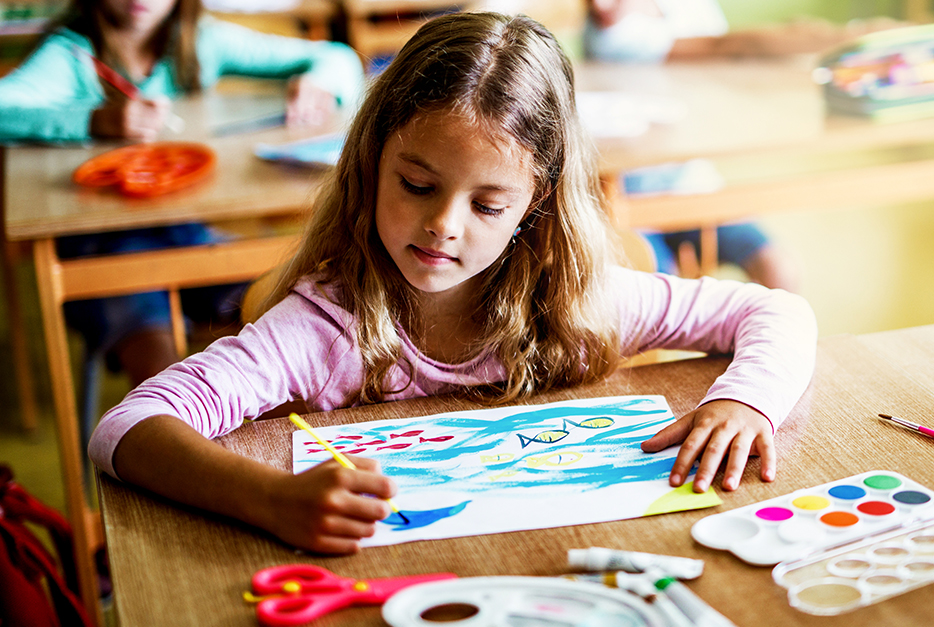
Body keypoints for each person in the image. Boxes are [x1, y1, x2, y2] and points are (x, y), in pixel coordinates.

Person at [88, 11, 818, 555]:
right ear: (373, 162)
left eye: (488, 204)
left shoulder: (576, 302)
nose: (442, 224)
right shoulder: (326, 328)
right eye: (416, 183)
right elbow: (124, 426)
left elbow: (775, 313)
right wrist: (271, 497)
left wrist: (743, 400)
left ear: (534, 203)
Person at [0, 0, 365, 387]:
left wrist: (319, 83)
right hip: (98, 244)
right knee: (154, 354)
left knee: (289, 312)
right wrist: (92, 119)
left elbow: (337, 56)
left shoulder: (198, 41)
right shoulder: (71, 54)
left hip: (183, 233)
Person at [583, 0, 901, 291]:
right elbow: (729, 46)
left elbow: (733, 59)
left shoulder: (691, 9)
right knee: (658, 290)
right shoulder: (612, 35)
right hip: (626, 203)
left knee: (780, 269)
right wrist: (839, 36)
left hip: (694, 187)